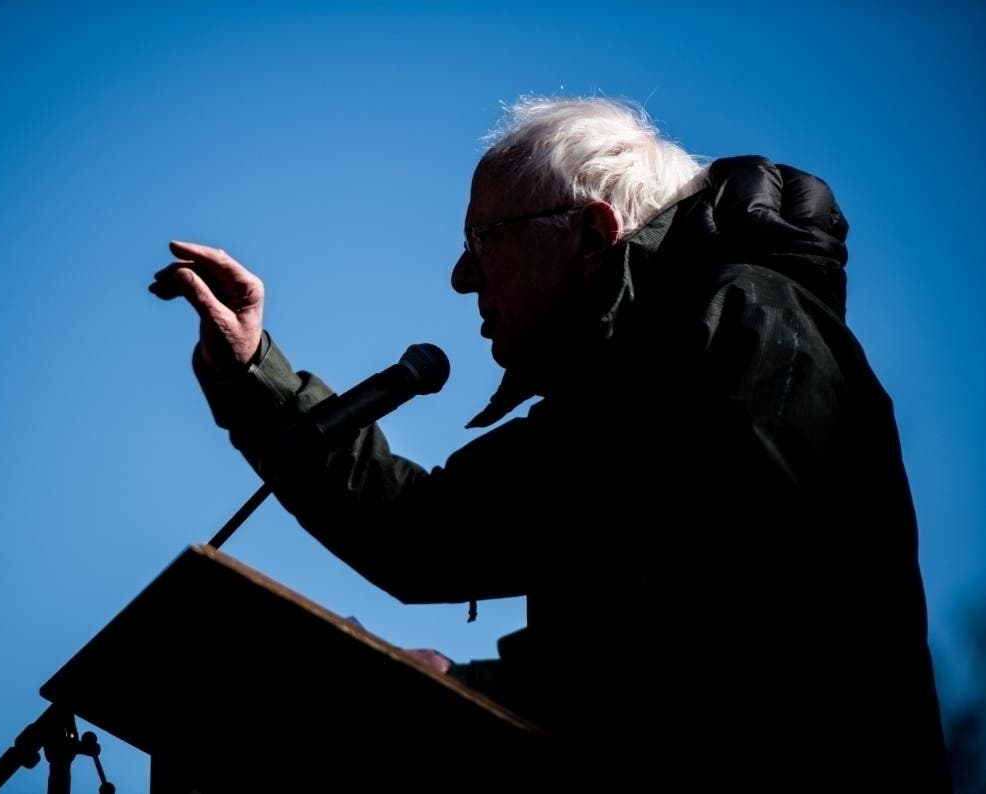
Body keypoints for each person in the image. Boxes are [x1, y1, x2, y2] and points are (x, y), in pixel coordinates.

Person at [150, 96, 952, 789]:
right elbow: (424, 535)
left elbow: (741, 606)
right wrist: (252, 370)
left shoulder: (745, 320)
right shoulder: (616, 384)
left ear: (594, 234)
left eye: (484, 239)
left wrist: (485, 690)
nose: (463, 278)